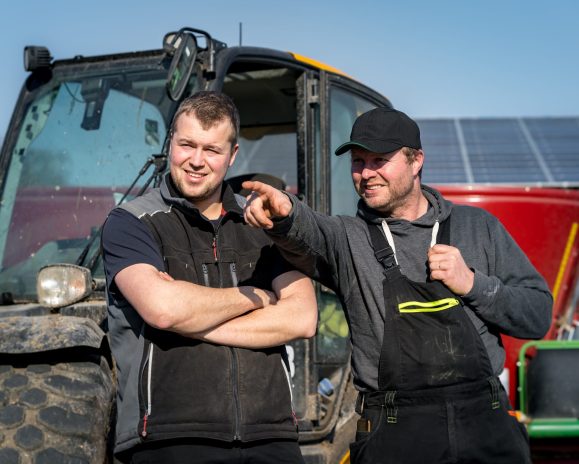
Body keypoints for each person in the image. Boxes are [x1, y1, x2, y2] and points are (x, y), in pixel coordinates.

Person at [242, 107, 553, 463]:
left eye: (379, 160)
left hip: (485, 426)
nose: (366, 173)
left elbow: (538, 315)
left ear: (416, 160)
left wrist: (472, 284)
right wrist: (285, 213)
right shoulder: (348, 238)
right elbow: (309, 229)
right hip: (394, 431)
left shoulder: (478, 227)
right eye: (358, 162)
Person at [101, 91, 317, 464]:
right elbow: (163, 310)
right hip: (170, 438)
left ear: (232, 156)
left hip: (272, 437)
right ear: (170, 143)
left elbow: (302, 317)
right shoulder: (131, 223)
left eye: (212, 150)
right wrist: (256, 295)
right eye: (187, 145)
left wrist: (192, 320)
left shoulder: (263, 226)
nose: (197, 161)